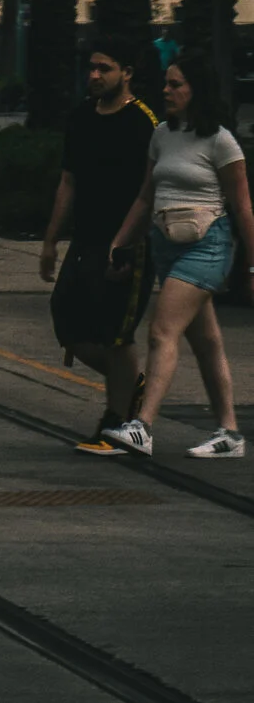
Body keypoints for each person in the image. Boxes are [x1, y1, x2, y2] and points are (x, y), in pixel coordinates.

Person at [101, 53, 253, 460]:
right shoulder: (163, 135)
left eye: (176, 84)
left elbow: (242, 208)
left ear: (196, 90)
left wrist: (252, 265)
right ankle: (230, 434)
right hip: (166, 244)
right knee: (206, 342)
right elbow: (145, 197)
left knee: (161, 331)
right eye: (166, 84)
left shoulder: (221, 141)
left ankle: (142, 426)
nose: (166, 91)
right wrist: (120, 242)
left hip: (208, 245)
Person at [39, 42, 159, 455]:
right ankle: (129, 386)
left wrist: (127, 242)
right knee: (68, 326)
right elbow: (68, 181)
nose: (93, 76)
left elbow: (152, 189)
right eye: (90, 69)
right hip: (85, 241)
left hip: (126, 244)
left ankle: (117, 422)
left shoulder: (144, 123)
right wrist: (51, 241)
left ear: (126, 72)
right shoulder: (80, 118)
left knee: (116, 334)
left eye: (103, 69)